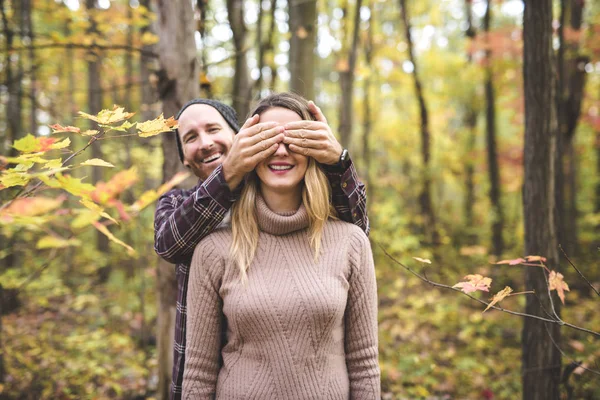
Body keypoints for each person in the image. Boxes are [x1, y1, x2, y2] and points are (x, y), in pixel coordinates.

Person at [154, 97, 370, 399]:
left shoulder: (281, 183)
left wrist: (337, 161)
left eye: (214, 129)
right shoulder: (179, 206)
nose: (204, 143)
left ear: (239, 134)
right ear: (185, 159)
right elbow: (168, 244)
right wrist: (229, 172)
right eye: (190, 138)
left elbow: (356, 228)